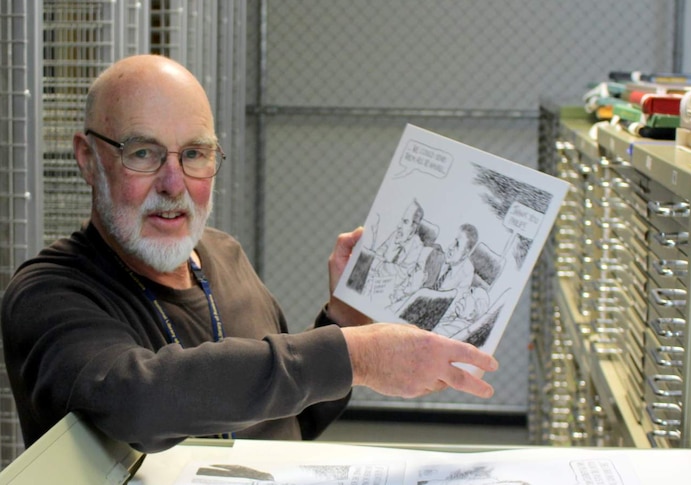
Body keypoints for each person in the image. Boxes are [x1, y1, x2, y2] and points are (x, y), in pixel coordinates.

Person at [0, 54, 498, 454]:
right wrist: (356, 354)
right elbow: (137, 402)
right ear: (89, 159)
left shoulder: (224, 257)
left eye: (194, 154)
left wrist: (343, 321)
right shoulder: (48, 292)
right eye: (143, 153)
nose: (174, 184)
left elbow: (288, 422)